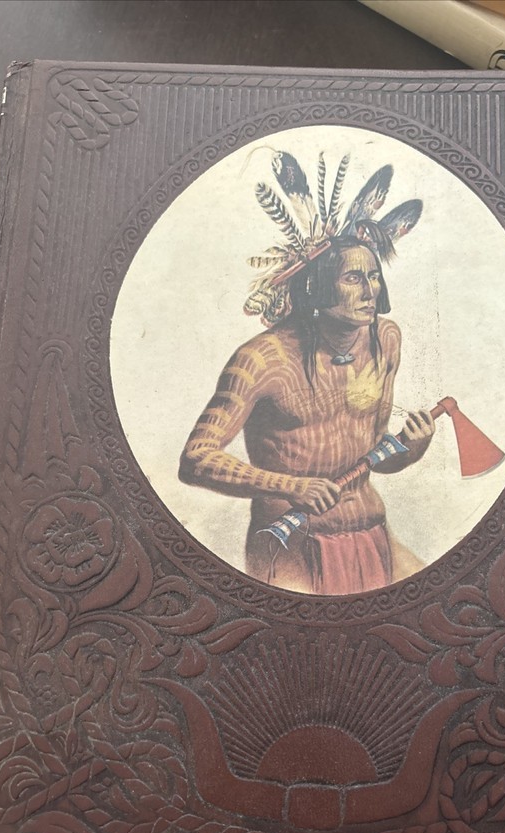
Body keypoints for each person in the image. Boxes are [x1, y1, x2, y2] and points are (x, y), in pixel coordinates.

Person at [179, 152, 434, 595]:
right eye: (353, 278)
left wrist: (411, 449)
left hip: (371, 533)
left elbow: (372, 452)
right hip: (290, 547)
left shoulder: (384, 339)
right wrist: (287, 486)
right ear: (315, 287)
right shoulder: (263, 360)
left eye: (374, 277)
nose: (370, 291)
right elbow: (197, 458)